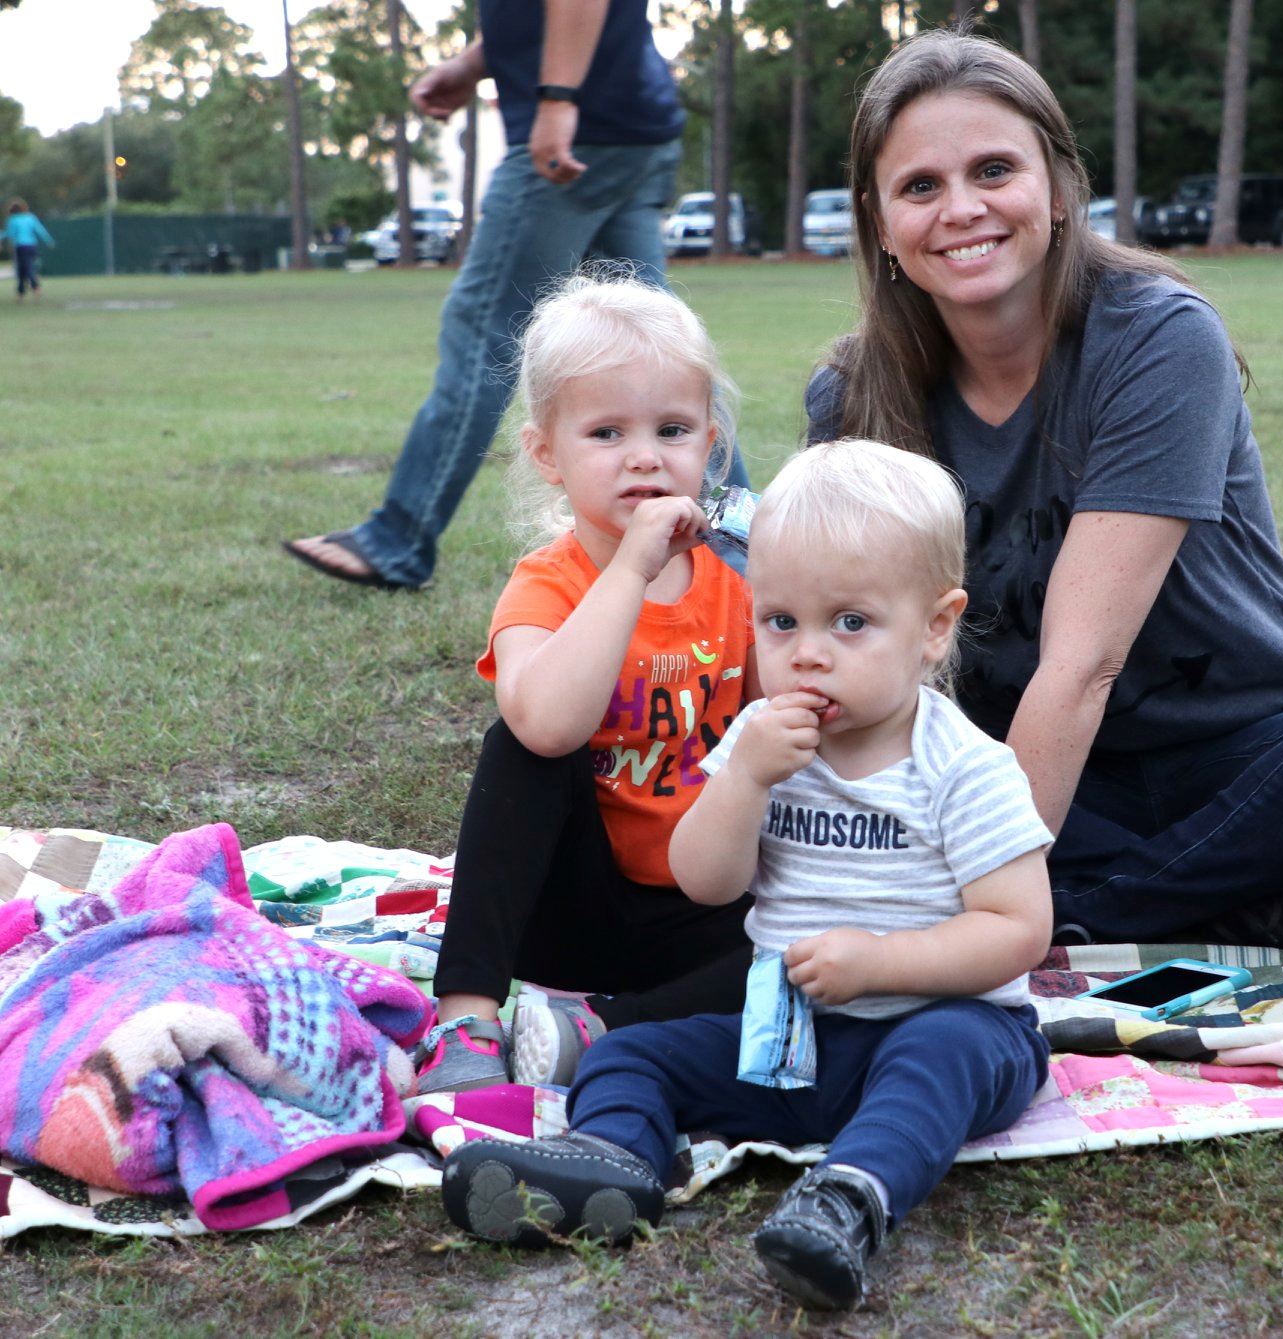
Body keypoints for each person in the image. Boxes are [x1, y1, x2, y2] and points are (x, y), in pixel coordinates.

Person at [806, 31, 1283, 955]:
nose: (962, 209)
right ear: (879, 220)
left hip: (1245, 757)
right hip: (1021, 775)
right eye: (920, 187)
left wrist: (974, 912)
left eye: (993, 170)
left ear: (1060, 189)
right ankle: (1251, 895)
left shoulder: (1154, 336)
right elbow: (845, 650)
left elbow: (1082, 665)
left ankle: (1082, 914)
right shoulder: (854, 397)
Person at [440, 440, 1054, 1313]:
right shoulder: (765, 743)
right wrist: (743, 781)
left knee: (936, 1056)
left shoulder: (964, 766)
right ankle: (616, 1165)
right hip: (793, 1034)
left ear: (935, 626)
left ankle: (848, 1198)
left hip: (941, 1021)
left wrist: (880, 964)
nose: (807, 654)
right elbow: (705, 882)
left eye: (850, 623)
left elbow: (1016, 928)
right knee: (627, 1053)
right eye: (780, 622)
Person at [413, 274, 757, 1096]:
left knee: (821, 959)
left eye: (671, 429)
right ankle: (467, 1016)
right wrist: (634, 567)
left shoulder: (742, 581)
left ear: (708, 445)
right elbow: (545, 726)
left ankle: (594, 1029)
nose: (644, 455)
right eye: (606, 431)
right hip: (571, 909)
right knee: (520, 744)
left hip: (709, 911)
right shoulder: (547, 586)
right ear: (548, 455)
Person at [284, 0, 746, 591]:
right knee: (662, 352)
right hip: (635, 121)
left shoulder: (565, 105)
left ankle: (395, 539)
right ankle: (747, 543)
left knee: (484, 328)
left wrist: (557, 100)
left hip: (582, 122)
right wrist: (476, 63)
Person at [6, 201, 54, 303]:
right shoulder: (31, 217)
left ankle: (29, 290)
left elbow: (10, 234)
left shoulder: (13, 220)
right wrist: (49, 240)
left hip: (21, 247)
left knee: (24, 269)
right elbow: (40, 230)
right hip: (32, 246)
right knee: (28, 267)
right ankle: (26, 292)